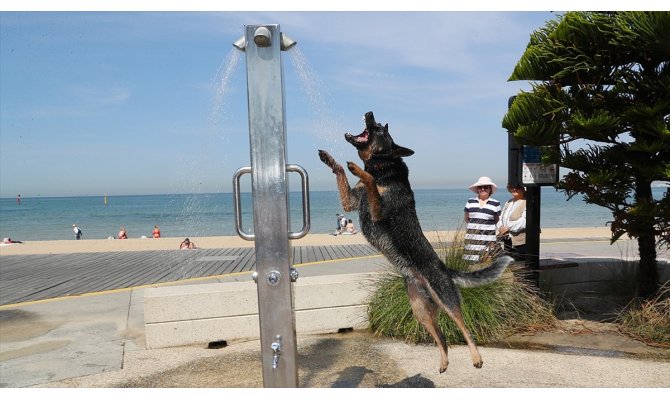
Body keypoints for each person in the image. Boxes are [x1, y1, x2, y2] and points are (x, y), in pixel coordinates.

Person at [463, 176, 501, 263]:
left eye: (486, 187)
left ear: (490, 189)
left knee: (486, 265)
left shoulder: (495, 203)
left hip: (488, 239)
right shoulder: (470, 201)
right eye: (480, 187)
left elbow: (497, 220)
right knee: (470, 264)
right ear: (477, 189)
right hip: (472, 239)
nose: (483, 189)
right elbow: (466, 218)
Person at [497, 184, 527, 263]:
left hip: (521, 242)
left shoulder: (527, 202)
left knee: (519, 264)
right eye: (512, 187)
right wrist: (500, 227)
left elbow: (523, 222)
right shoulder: (508, 202)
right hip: (507, 240)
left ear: (524, 189)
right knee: (509, 264)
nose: (514, 189)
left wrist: (507, 227)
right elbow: (501, 217)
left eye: (517, 187)